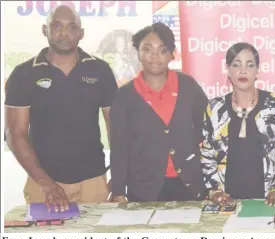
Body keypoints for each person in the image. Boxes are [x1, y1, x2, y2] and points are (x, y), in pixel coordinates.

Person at [4, 5, 117, 211]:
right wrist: (46, 183)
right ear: (44, 30)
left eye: (71, 27)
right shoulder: (24, 74)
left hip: (93, 181)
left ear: (81, 34)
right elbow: (14, 133)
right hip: (43, 184)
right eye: (56, 25)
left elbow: (116, 126)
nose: (64, 32)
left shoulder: (100, 70)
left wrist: (119, 175)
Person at [109, 23, 208, 202]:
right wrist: (117, 191)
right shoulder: (125, 95)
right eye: (147, 49)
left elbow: (208, 125)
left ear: (172, 54)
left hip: (188, 185)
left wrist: (186, 144)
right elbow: (119, 146)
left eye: (162, 50)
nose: (155, 56)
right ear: (137, 53)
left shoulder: (188, 85)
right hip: (143, 187)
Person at [201, 42, 275, 205]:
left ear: (257, 71)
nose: (243, 71)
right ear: (228, 69)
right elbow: (206, 154)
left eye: (250, 65)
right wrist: (214, 190)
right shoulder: (214, 108)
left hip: (267, 199)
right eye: (236, 64)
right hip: (226, 201)